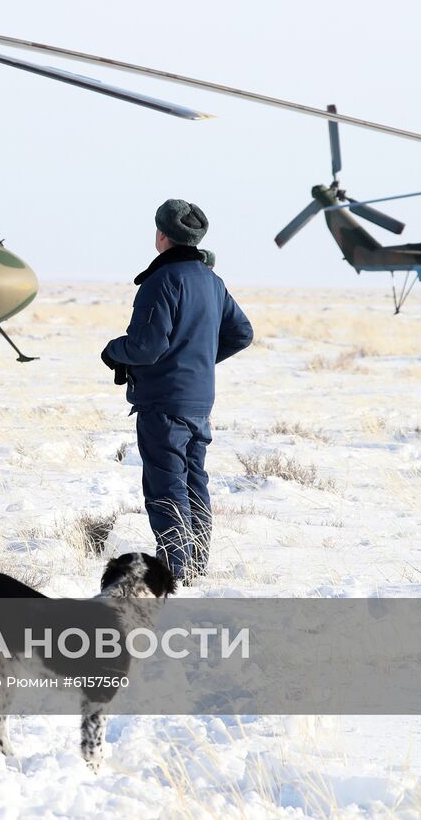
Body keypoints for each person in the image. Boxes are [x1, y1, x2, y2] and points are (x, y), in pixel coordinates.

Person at [101, 200, 252, 583]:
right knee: (193, 483)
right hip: (199, 401)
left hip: (164, 403)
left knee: (166, 487)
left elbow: (146, 347)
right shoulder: (211, 280)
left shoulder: (162, 281)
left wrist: (111, 350)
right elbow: (242, 333)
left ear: (162, 235)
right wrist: (197, 360)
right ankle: (196, 564)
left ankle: (175, 570)